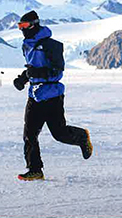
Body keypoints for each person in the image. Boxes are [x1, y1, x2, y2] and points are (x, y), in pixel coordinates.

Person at [12, 10, 92, 181]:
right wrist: (23, 78)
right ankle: (35, 170)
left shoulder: (52, 45)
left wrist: (36, 72)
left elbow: (57, 72)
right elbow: (31, 67)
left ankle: (82, 137)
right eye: (20, 26)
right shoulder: (27, 45)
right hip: (34, 95)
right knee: (29, 135)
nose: (22, 29)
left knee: (59, 133)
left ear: (34, 25)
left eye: (24, 26)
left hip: (52, 95)